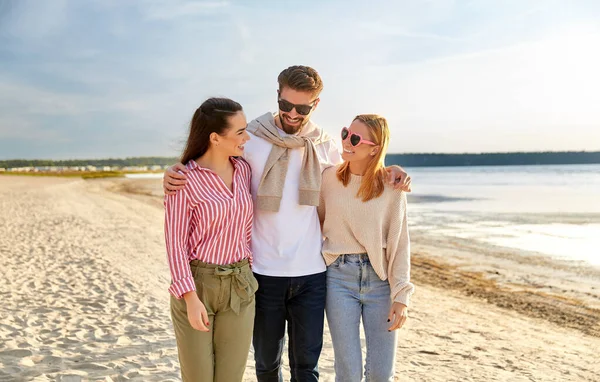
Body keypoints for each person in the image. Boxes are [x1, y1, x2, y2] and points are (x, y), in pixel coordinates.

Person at [163, 66, 412, 381]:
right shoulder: (250, 139)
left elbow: (356, 172)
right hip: (262, 273)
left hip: (313, 273)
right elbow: (211, 165)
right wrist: (174, 172)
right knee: (266, 365)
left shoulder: (326, 146)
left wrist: (390, 170)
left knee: (306, 368)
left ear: (316, 105)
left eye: (302, 108)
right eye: (286, 105)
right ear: (277, 96)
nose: (293, 114)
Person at [164, 97, 258, 382]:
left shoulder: (244, 170)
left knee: (231, 378)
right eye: (240, 131)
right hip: (197, 285)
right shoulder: (184, 179)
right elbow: (174, 243)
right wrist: (190, 298)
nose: (247, 137)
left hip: (240, 285)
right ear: (215, 137)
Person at [318, 114, 414, 382]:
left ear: (375, 148)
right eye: (346, 133)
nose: (347, 142)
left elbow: (399, 245)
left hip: (380, 282)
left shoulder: (392, 187)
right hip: (338, 279)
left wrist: (401, 296)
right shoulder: (328, 179)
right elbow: (315, 222)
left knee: (382, 374)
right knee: (347, 372)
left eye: (356, 139)